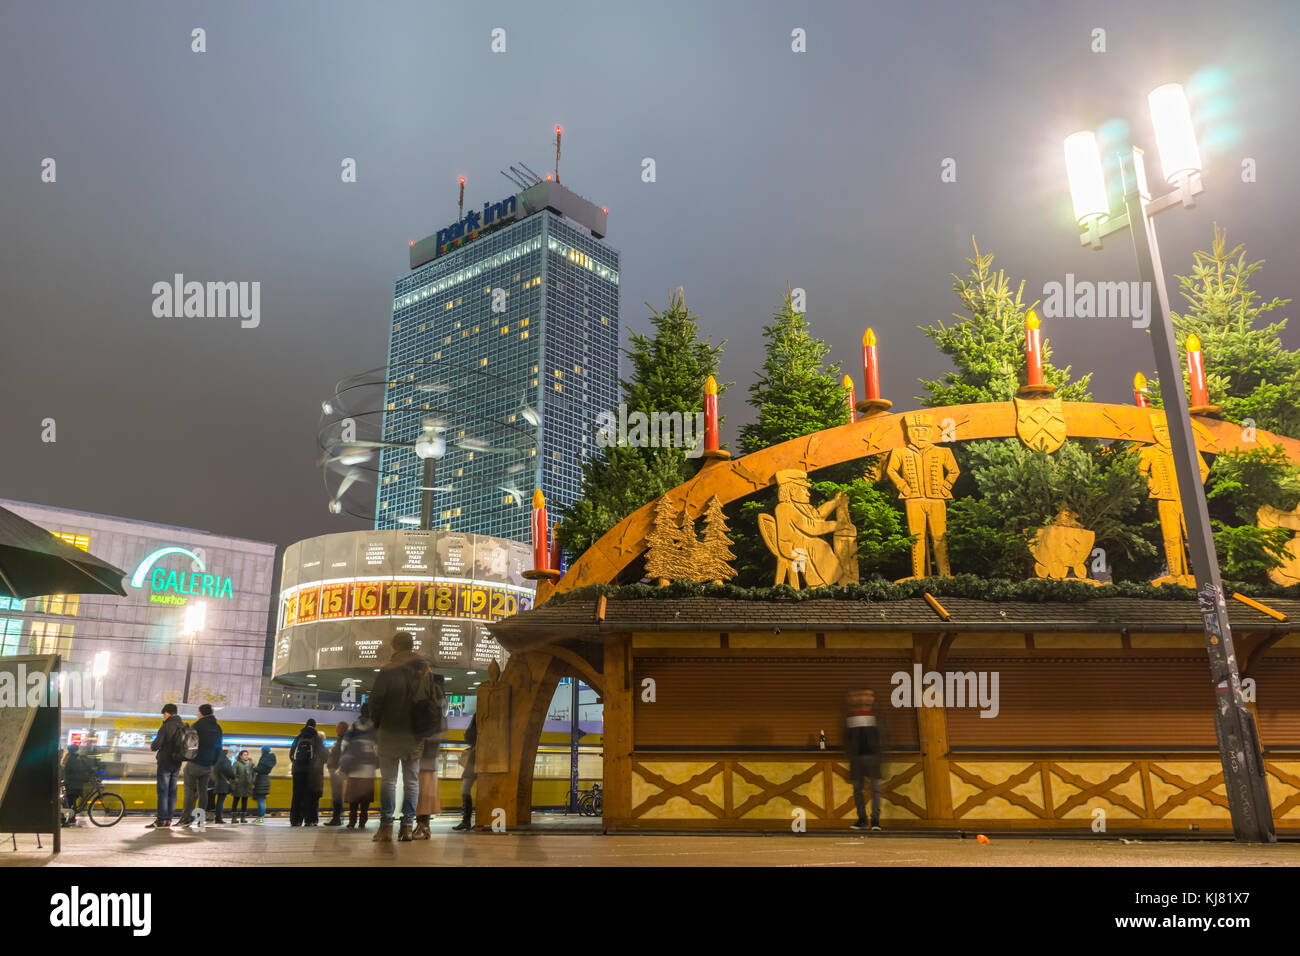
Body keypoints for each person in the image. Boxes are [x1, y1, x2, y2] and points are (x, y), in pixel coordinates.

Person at [369, 631, 433, 842]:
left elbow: (376, 702)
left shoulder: (387, 670)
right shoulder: (424, 669)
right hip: (414, 734)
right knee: (411, 781)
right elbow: (431, 702)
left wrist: (377, 726)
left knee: (389, 780)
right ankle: (406, 827)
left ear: (394, 647)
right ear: (411, 645)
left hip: (389, 731)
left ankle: (386, 828)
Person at [844, 689, 885, 831]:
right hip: (856, 759)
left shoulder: (877, 716)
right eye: (861, 694)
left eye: (868, 695)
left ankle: (875, 821)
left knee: (876, 790)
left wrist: (881, 756)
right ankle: (862, 820)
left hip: (874, 758)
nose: (864, 698)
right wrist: (850, 756)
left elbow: (885, 736)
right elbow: (845, 738)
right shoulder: (849, 716)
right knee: (857, 790)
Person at [413, 666, 446, 839]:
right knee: (424, 788)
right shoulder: (438, 694)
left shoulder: (425, 695)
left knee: (422, 790)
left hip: (423, 750)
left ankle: (423, 826)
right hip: (430, 749)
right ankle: (423, 825)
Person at [178, 703, 222, 828]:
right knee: (203, 792)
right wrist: (213, 763)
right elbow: (219, 747)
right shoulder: (218, 728)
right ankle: (201, 819)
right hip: (207, 765)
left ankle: (186, 818)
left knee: (189, 790)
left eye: (198, 712)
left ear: (201, 713)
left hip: (195, 763)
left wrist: (185, 757)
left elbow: (189, 744)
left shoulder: (197, 725)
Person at [339, 701, 378, 830]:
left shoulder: (354, 726)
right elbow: (378, 748)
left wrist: (346, 760)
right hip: (368, 771)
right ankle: (362, 822)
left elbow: (344, 744)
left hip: (354, 771)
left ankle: (352, 822)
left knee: (353, 800)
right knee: (365, 801)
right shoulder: (374, 728)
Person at [147, 703, 185, 829]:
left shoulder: (166, 726)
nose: (163, 717)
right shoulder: (182, 726)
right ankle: (169, 819)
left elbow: (155, 746)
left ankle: (161, 820)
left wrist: (155, 744)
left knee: (163, 791)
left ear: (167, 713)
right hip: (177, 763)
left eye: (163, 714)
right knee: (172, 791)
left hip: (165, 763)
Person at [289, 719, 325, 826]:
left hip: (297, 771)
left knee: (296, 796)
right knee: (309, 796)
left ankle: (295, 820)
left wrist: (296, 764)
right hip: (310, 772)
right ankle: (309, 820)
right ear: (315, 726)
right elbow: (322, 755)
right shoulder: (316, 738)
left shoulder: (298, 737)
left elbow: (291, 754)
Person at [452, 714, 477, 832]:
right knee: (466, 790)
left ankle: (466, 821)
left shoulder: (478, 717)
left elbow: (468, 736)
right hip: (479, 760)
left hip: (475, 761)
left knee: (465, 790)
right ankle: (466, 821)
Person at [323, 720, 350, 826]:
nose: (336, 730)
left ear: (343, 729)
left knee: (337, 796)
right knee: (337, 796)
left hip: (337, 772)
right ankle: (338, 817)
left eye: (338, 728)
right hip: (335, 771)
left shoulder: (343, 741)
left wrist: (336, 768)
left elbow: (340, 756)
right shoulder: (340, 740)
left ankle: (337, 819)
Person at [61, 744, 95, 826]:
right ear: (76, 750)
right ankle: (68, 819)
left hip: (70, 783)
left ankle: (70, 818)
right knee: (72, 801)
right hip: (74, 783)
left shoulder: (68, 758)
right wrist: (89, 773)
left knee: (71, 801)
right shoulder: (75, 759)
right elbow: (80, 769)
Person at [252, 745, 276, 824]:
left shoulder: (264, 758)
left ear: (263, 750)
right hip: (265, 779)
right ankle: (260, 817)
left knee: (261, 800)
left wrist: (253, 768)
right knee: (260, 800)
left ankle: (261, 818)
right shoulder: (270, 758)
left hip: (261, 779)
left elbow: (260, 769)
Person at [213, 748, 236, 824]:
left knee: (219, 801)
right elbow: (229, 771)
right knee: (221, 801)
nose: (230, 755)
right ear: (226, 754)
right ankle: (218, 818)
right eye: (229, 753)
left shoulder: (217, 761)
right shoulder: (226, 761)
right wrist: (233, 776)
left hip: (218, 782)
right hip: (223, 783)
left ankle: (218, 817)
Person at [231, 749, 255, 823]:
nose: (246, 756)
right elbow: (233, 774)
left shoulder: (250, 764)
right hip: (238, 786)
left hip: (247, 786)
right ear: (240, 756)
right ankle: (234, 818)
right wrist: (236, 781)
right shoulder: (236, 763)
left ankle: (243, 818)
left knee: (244, 802)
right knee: (236, 801)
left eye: (247, 754)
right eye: (244, 754)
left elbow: (253, 774)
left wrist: (252, 781)